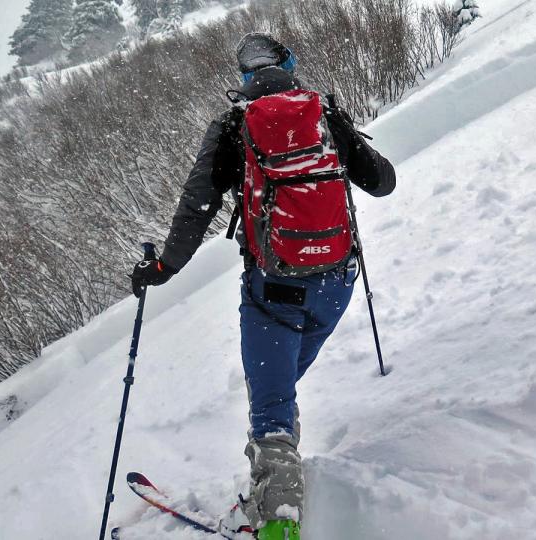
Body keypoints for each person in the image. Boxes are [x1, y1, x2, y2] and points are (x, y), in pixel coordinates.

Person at [129, 33, 396, 540]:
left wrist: (164, 267)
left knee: (270, 409)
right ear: (289, 64)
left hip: (274, 293)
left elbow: (197, 205)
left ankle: (278, 524)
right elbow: (382, 182)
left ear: (243, 78)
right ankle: (270, 482)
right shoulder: (321, 113)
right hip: (336, 284)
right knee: (277, 392)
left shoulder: (235, 125)